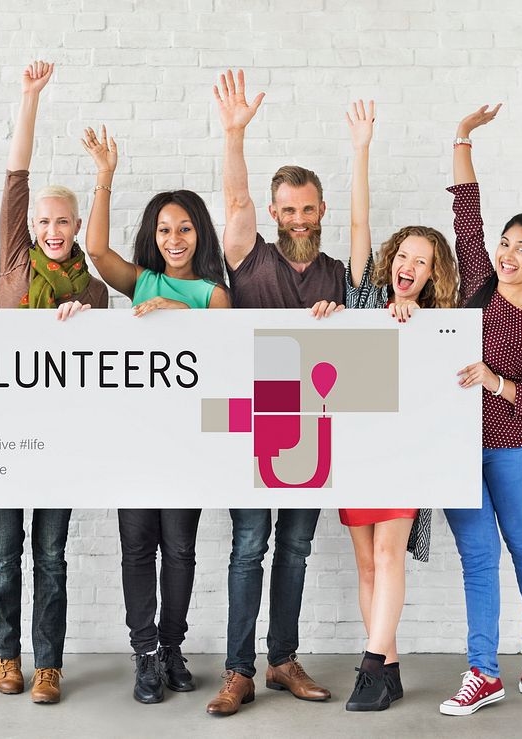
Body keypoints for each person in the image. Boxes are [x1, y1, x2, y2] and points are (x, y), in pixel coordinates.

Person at [315, 101, 458, 711]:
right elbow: (358, 224)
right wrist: (362, 150)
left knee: (389, 552)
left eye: (421, 263)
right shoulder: (365, 295)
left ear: (431, 276)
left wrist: (417, 323)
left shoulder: (438, 322)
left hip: (405, 454)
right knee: (366, 565)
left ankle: (371, 666)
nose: (408, 266)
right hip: (358, 452)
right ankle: (390, 663)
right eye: (404, 256)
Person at [206, 68, 339, 717]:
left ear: (320, 212)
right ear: (273, 210)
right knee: (249, 546)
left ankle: (282, 658)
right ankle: (238, 671)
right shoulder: (249, 255)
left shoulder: (337, 273)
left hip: (312, 435)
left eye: (307, 208)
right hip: (253, 428)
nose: (297, 219)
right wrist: (235, 135)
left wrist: (337, 319)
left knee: (296, 546)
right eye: (286, 208)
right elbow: (234, 206)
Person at [81, 124, 230, 704]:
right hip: (136, 440)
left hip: (188, 442)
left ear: (200, 233)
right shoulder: (140, 280)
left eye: (185, 228)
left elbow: (225, 360)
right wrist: (104, 178)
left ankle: (172, 647)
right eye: (165, 229)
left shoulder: (215, 294)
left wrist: (180, 316)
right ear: (154, 235)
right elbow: (95, 251)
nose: (174, 238)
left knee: (182, 549)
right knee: (137, 547)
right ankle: (144, 653)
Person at [439, 105, 522, 716]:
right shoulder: (473, 290)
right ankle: (483, 671)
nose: (507, 253)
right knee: (478, 560)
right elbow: (466, 207)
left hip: (516, 449)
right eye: (505, 242)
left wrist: (497, 381)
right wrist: (463, 136)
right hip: (457, 451)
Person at [0, 60, 108, 706]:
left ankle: (48, 665)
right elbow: (16, 177)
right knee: (4, 553)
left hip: (59, 443)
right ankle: (7, 655)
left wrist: (87, 324)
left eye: (63, 222)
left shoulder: (91, 289)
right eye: (43, 222)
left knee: (51, 558)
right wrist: (29, 97)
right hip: (6, 438)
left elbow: (102, 375)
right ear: (30, 229)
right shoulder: (13, 265)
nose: (53, 231)